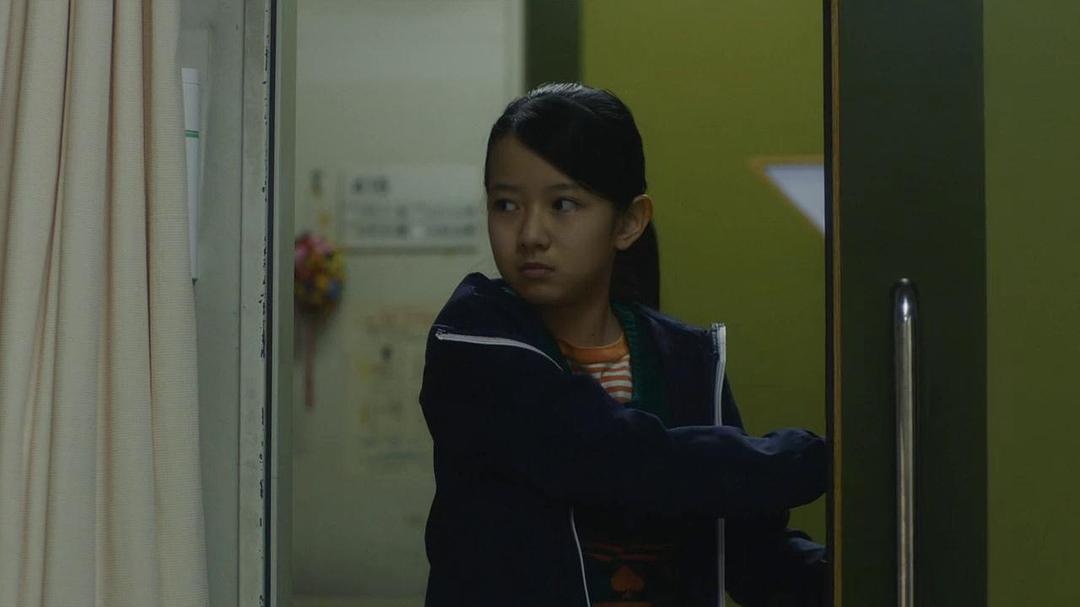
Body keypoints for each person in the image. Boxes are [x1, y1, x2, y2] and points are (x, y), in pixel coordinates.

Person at [419, 82, 826, 606]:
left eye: (563, 204)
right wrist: (814, 460)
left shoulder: (686, 358)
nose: (530, 234)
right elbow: (609, 456)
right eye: (506, 205)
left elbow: (744, 545)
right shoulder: (474, 340)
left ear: (629, 222)